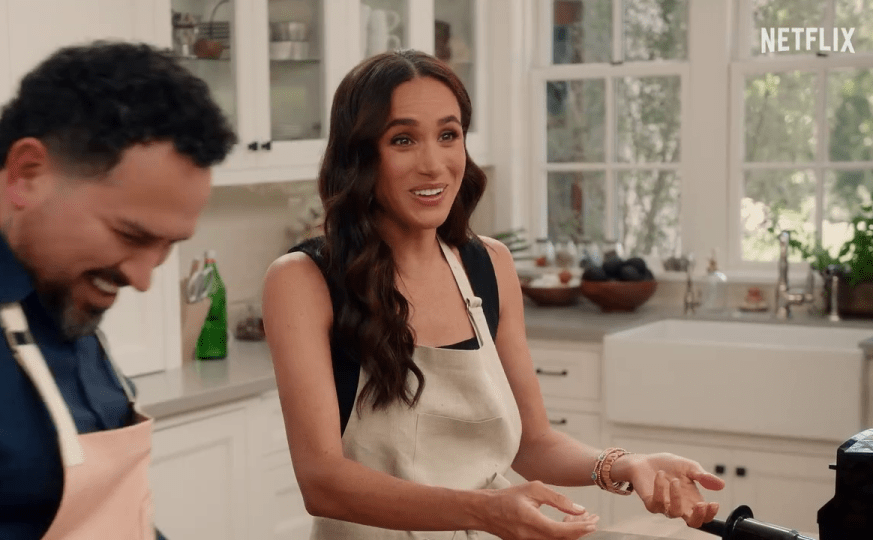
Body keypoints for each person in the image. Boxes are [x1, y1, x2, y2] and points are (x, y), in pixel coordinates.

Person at [263, 49, 724, 540]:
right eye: (403, 140)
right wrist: (483, 511)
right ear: (359, 155)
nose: (434, 165)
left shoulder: (488, 265)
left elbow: (532, 442)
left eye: (448, 135)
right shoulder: (304, 280)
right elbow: (322, 483)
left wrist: (626, 465)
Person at [0, 41, 236, 539]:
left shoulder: (57, 281)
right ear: (28, 174)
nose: (144, 278)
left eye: (167, 246)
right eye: (131, 236)